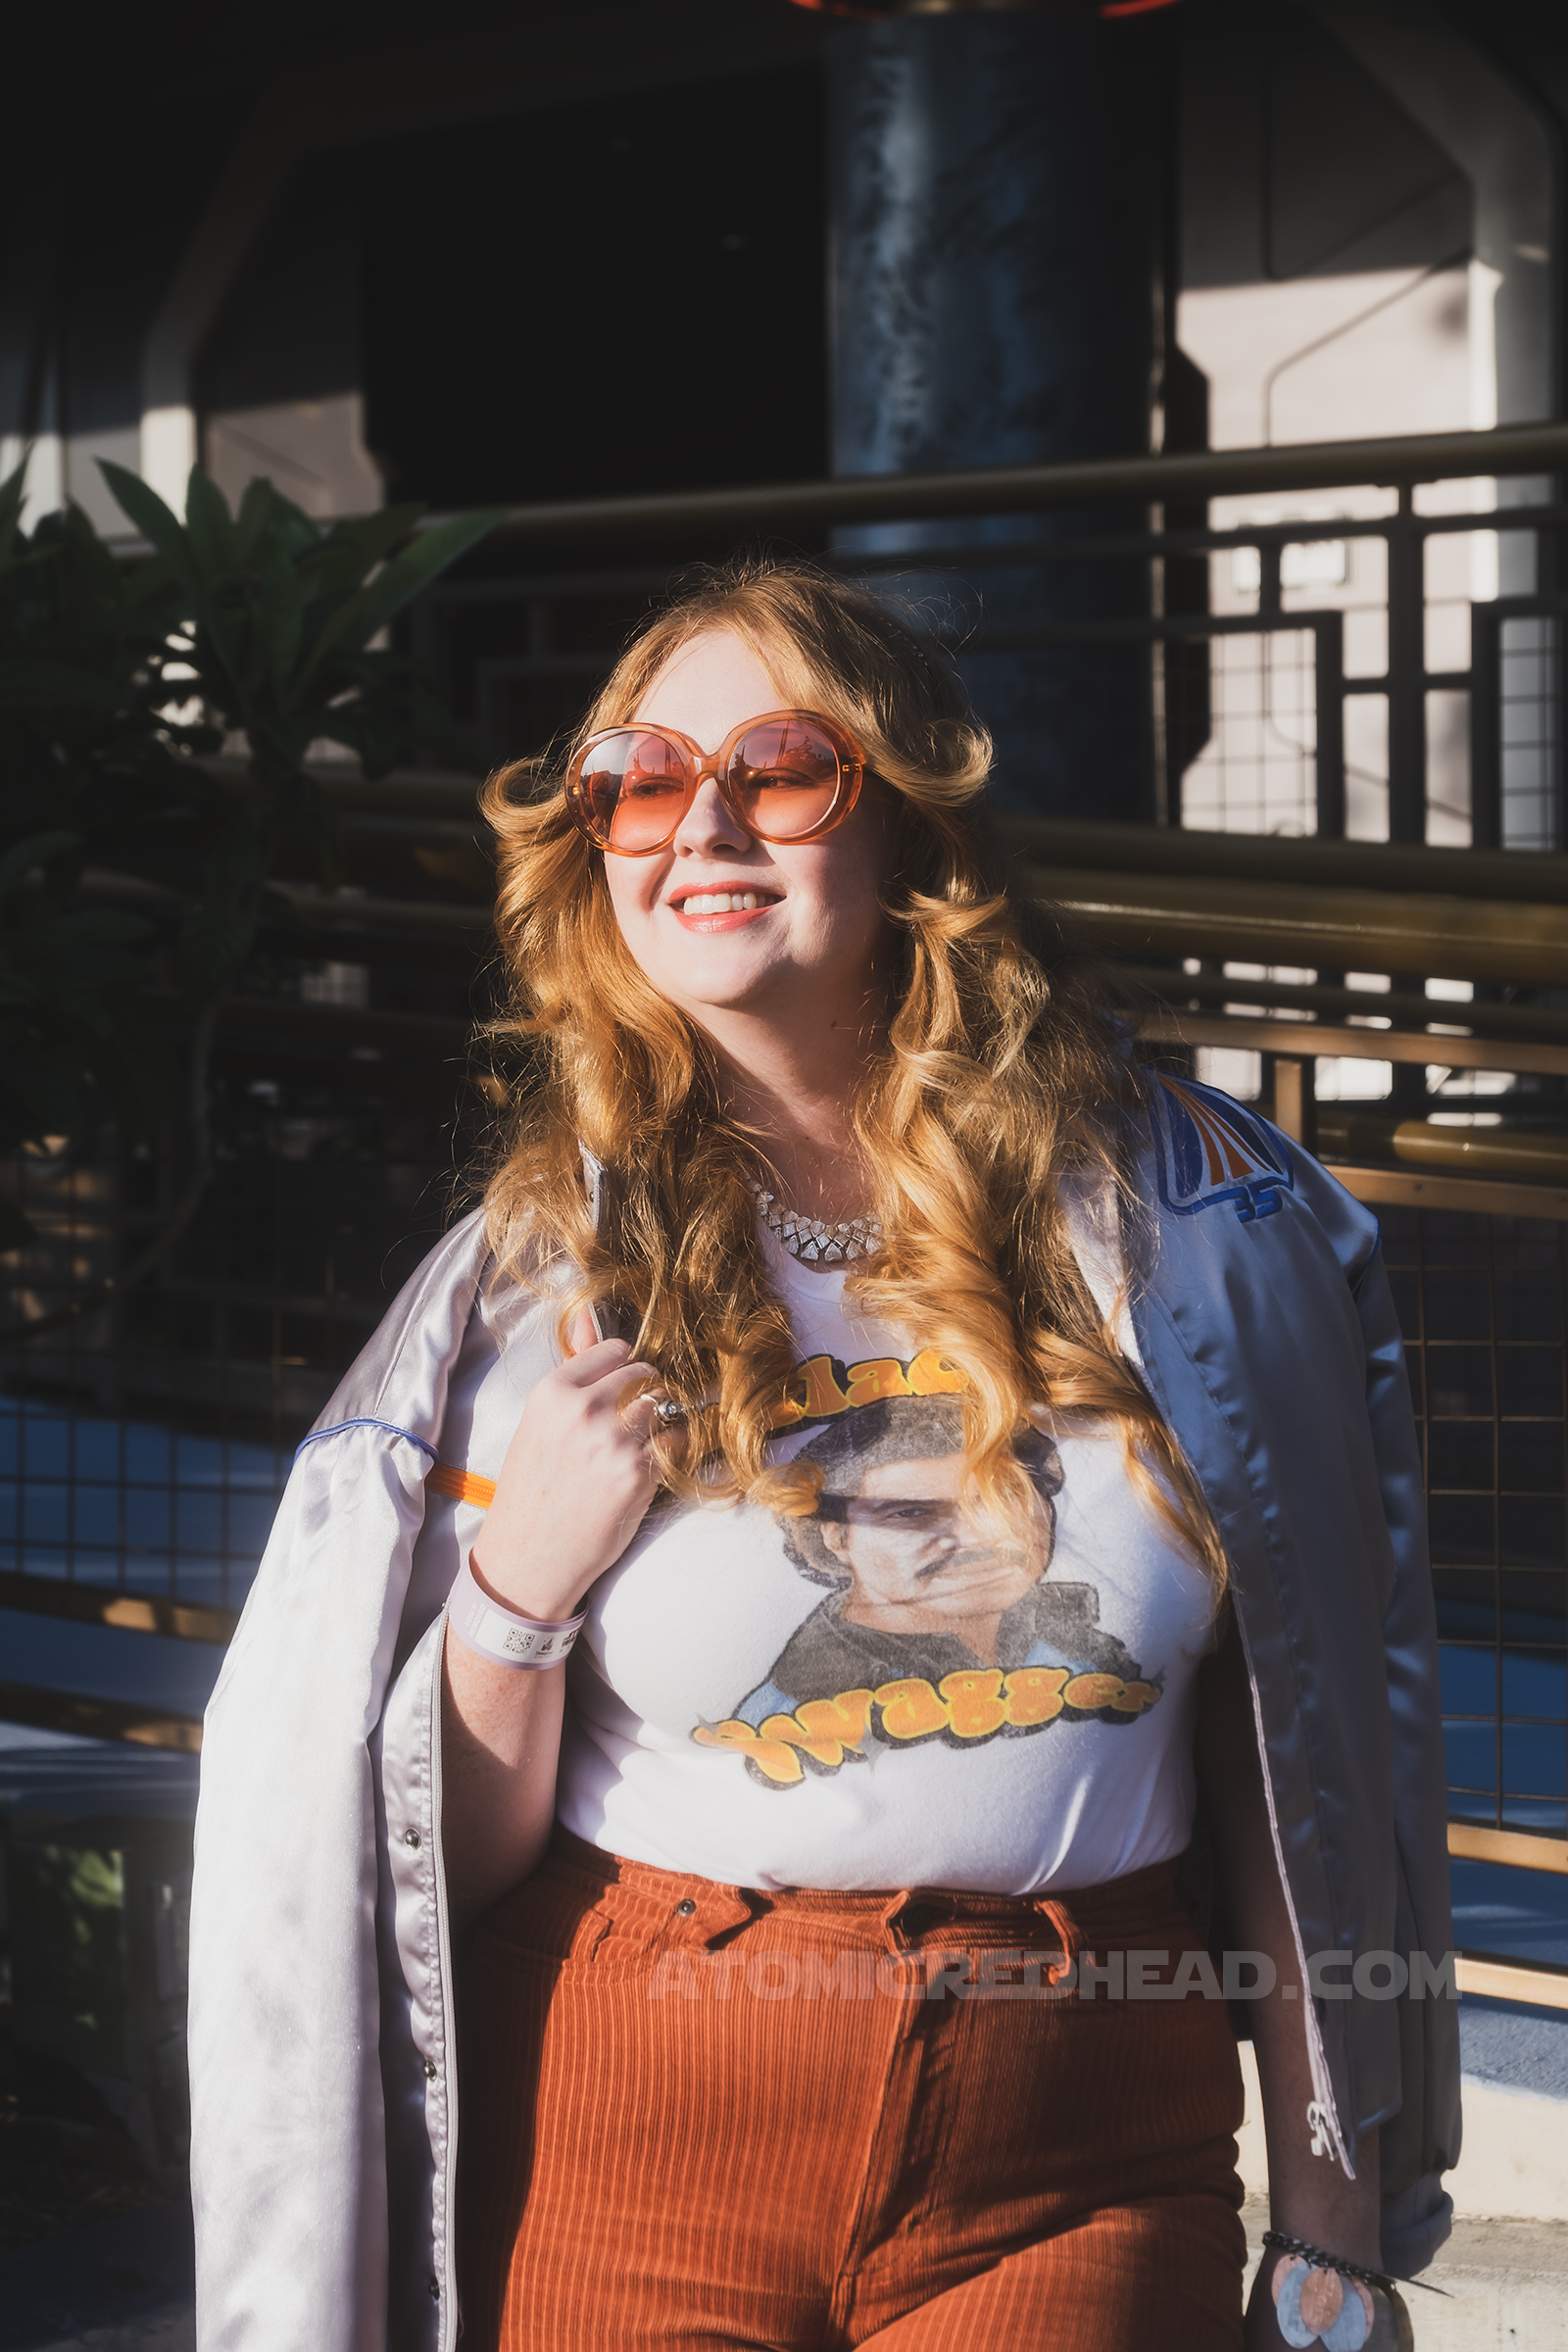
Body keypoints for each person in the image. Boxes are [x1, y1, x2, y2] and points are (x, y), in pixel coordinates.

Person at [187, 562, 1458, 2352]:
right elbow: (432, 1869)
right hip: (632, 2144)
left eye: (780, 767)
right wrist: (516, 1588)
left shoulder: (1192, 1238)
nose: (697, 818)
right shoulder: (532, 1284)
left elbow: (1295, 1737)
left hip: (1080, 2159)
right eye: (634, 779)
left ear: (912, 826)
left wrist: (1335, 2215)